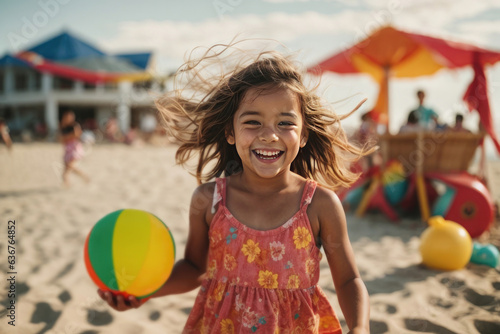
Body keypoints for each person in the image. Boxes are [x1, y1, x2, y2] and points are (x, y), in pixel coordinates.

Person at [98, 45, 372, 334]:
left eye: (285, 123)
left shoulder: (320, 204)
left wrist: (360, 327)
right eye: (253, 122)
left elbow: (348, 280)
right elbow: (194, 268)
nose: (269, 134)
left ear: (303, 135)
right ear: (230, 131)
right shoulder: (209, 200)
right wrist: (145, 292)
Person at [59, 110, 89, 186]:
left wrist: (67, 137)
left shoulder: (74, 125)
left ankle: (84, 177)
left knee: (69, 167)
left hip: (74, 148)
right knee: (67, 169)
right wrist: (69, 137)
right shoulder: (63, 126)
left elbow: (77, 135)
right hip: (68, 148)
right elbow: (61, 139)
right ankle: (67, 185)